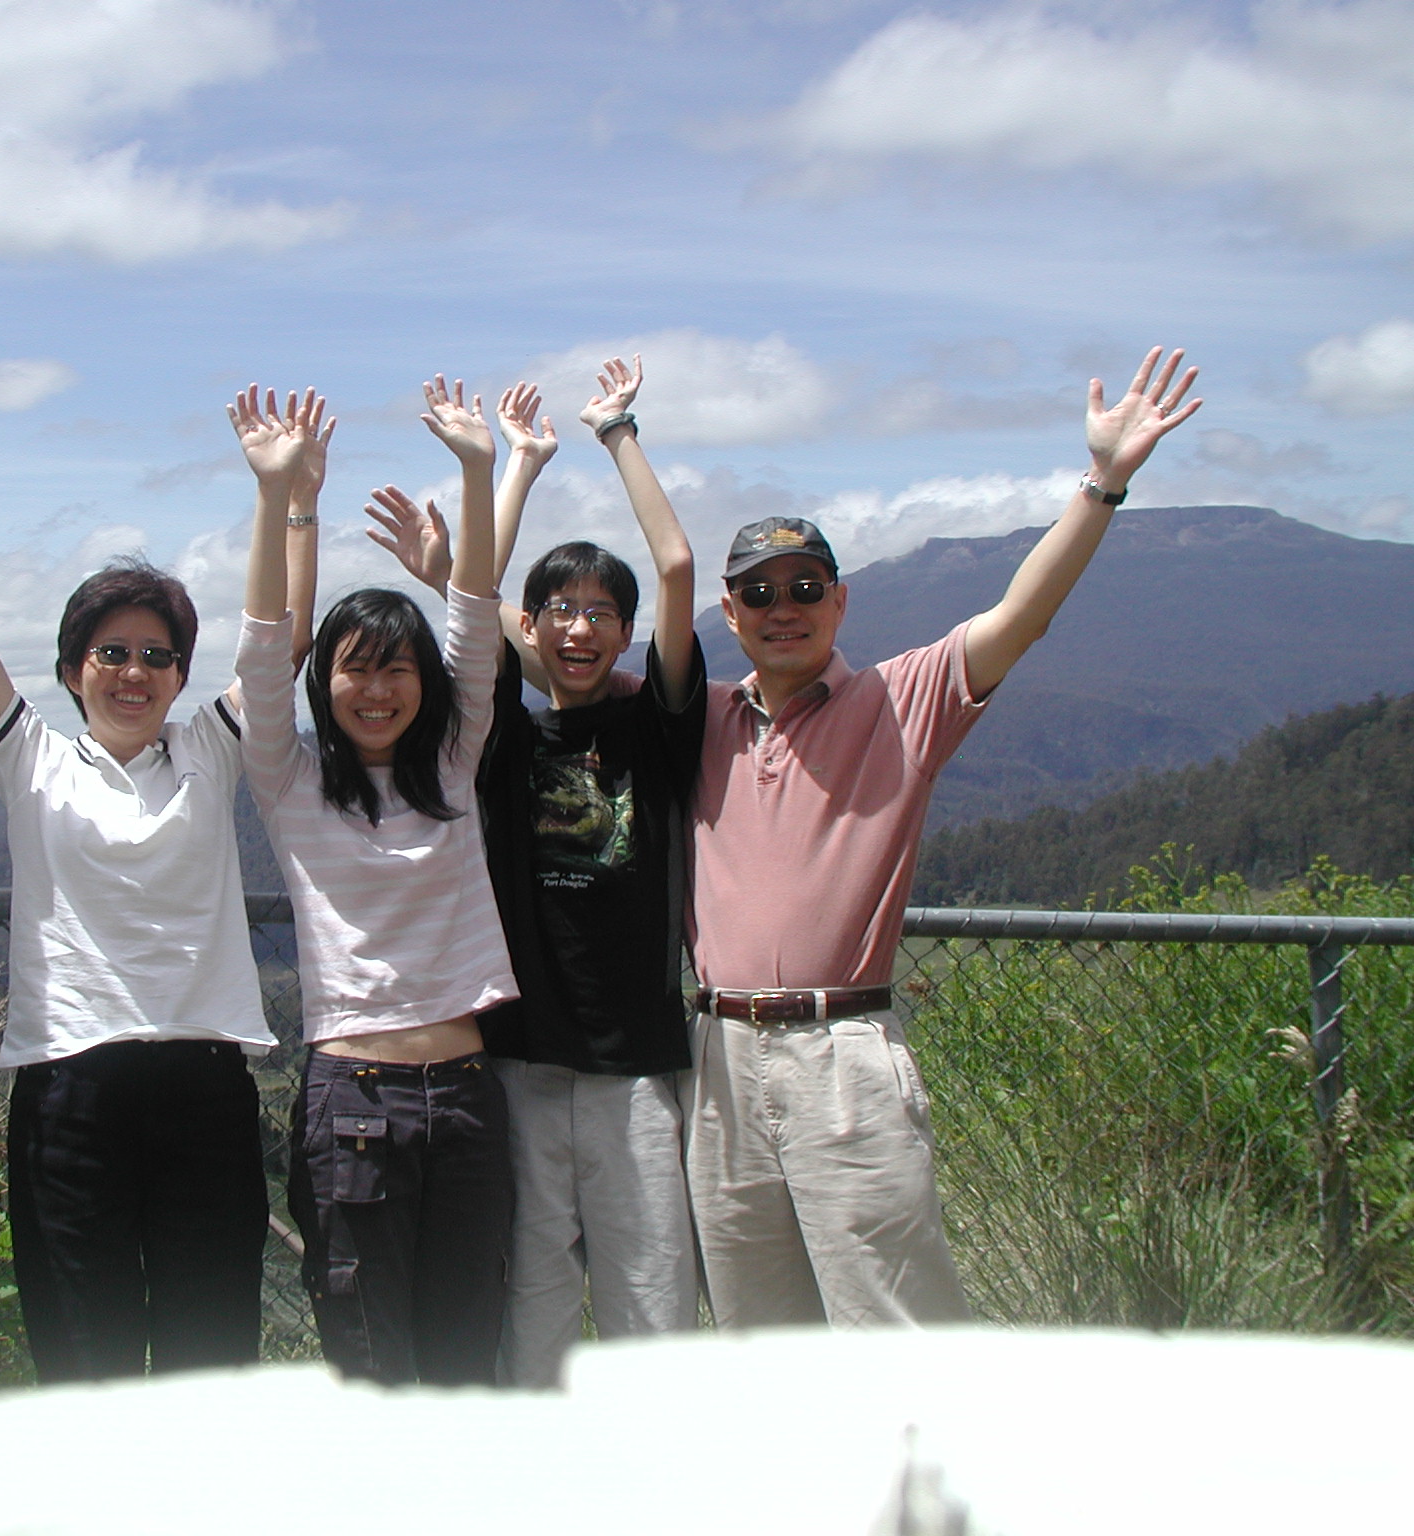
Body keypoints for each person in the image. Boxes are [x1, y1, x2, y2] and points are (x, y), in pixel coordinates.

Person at [686, 347, 1203, 1327]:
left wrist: (1101, 484)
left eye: (804, 589)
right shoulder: (694, 720)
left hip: (841, 1050)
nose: (782, 609)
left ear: (839, 601)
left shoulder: (901, 698)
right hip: (715, 1058)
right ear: (729, 612)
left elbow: (1020, 616)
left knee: (892, 1326)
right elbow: (561, 655)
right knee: (756, 1345)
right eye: (759, 593)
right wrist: (458, 584)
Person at [0, 388, 329, 1381]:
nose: (133, 670)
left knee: (209, 1362)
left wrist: (283, 501)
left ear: (182, 674)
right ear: (71, 669)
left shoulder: (208, 750)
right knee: (83, 1366)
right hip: (70, 1096)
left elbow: (278, 641)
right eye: (111, 652)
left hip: (203, 1091)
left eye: (157, 655)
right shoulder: (32, 761)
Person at [370, 361, 706, 1388]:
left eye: (601, 611)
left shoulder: (656, 724)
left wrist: (617, 435)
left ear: (623, 629)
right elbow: (478, 614)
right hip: (518, 1056)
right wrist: (456, 560)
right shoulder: (501, 742)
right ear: (532, 625)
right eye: (556, 608)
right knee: (536, 1302)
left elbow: (680, 567)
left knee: (652, 1297)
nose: (577, 626)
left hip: (637, 1066)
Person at [231, 379, 518, 1386]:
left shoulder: (451, 768)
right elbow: (264, 651)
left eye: (398, 668)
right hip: (352, 1098)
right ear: (327, 684)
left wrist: (478, 471)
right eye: (355, 668)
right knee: (366, 1364)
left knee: (463, 1357)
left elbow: (475, 621)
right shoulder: (290, 782)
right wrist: (279, 500)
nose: (377, 686)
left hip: (469, 1099)